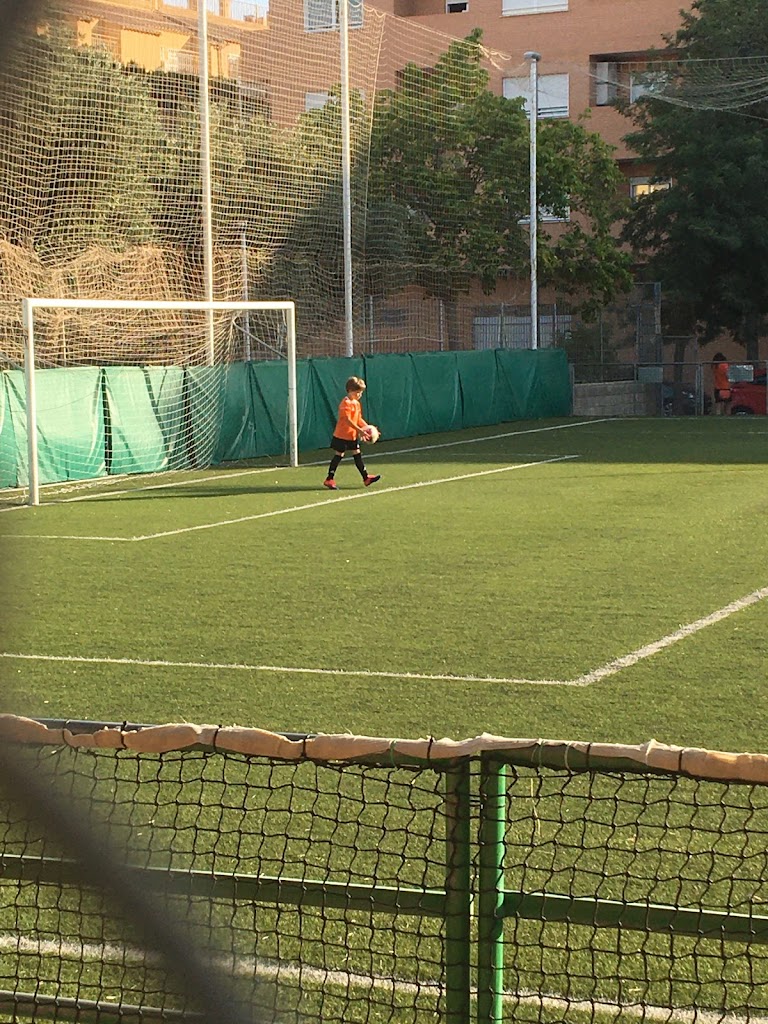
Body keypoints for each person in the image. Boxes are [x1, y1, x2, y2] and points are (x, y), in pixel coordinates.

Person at [324, 376, 381, 490]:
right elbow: (347, 420)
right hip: (341, 435)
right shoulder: (345, 403)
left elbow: (358, 419)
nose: (359, 395)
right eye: (357, 392)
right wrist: (360, 431)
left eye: (361, 393)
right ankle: (329, 479)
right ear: (350, 390)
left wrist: (368, 429)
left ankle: (366, 478)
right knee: (339, 455)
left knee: (357, 454)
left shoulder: (356, 403)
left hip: (352, 436)